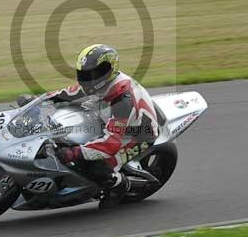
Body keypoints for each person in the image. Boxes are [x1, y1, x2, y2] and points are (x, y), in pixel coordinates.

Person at [22, 44, 159, 208]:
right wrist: (36, 101)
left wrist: (73, 153)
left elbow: (110, 144)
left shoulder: (122, 100)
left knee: (95, 166)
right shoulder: (98, 83)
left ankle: (119, 185)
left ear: (110, 70)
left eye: (94, 74)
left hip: (137, 134)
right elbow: (66, 94)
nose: (89, 78)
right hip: (107, 118)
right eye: (85, 74)